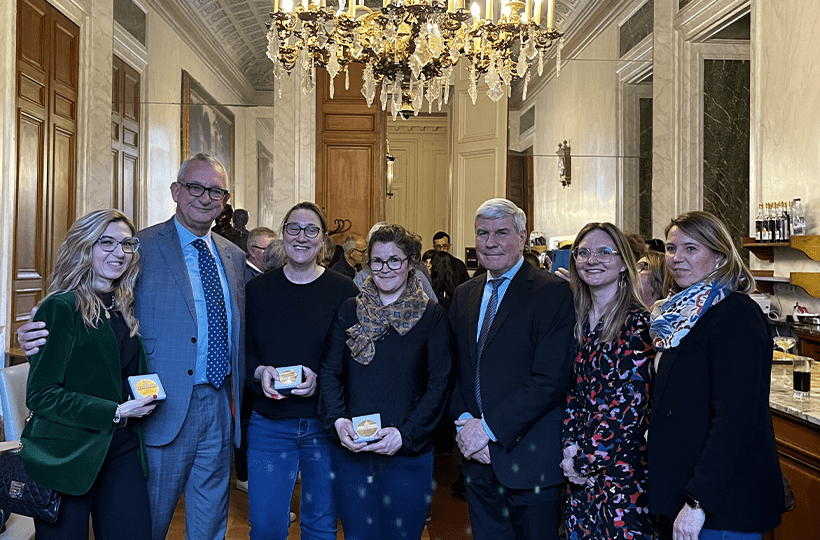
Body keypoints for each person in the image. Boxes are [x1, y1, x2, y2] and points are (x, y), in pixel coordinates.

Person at [18, 153, 247, 540]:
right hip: (160, 408)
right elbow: (79, 294)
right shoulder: (138, 246)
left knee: (210, 518)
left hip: (219, 404)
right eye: (196, 187)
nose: (205, 198)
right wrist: (37, 327)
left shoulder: (233, 256)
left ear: (225, 200)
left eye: (216, 191)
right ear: (176, 191)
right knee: (146, 522)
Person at [19, 209, 156, 539]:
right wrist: (115, 411)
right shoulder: (61, 307)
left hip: (122, 450)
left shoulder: (123, 306)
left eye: (127, 244)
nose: (119, 252)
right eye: (106, 242)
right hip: (68, 456)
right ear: (84, 246)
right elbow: (42, 395)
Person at [648, 211, 784, 540]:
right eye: (671, 248)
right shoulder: (678, 314)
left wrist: (698, 502)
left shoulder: (735, 314)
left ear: (720, 256)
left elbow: (735, 419)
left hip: (720, 505)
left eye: (691, 249)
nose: (677, 258)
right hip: (683, 491)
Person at [448, 198, 575, 540]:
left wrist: (487, 430)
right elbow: (457, 370)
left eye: (502, 233)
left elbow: (549, 380)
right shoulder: (464, 294)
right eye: (483, 233)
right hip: (477, 460)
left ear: (522, 238)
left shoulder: (553, 293)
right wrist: (466, 427)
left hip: (529, 461)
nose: (490, 242)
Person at [319, 224, 453, 540]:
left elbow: (439, 384)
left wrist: (404, 435)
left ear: (410, 263)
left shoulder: (432, 316)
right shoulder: (350, 309)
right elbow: (329, 371)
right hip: (354, 452)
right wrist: (338, 421)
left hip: (408, 454)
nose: (385, 268)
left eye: (395, 260)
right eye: (377, 261)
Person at [244, 201, 359, 540]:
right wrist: (259, 372)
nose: (302, 237)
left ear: (323, 240)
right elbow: (245, 351)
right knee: (266, 527)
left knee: (320, 526)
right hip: (269, 426)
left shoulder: (344, 290)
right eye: (294, 228)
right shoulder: (258, 290)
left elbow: (353, 360)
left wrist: (321, 381)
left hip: (324, 426)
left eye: (312, 230)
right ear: (283, 234)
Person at [560, 222, 655, 539]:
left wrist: (584, 462)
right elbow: (573, 394)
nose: (592, 259)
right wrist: (570, 449)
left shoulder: (638, 325)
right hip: (580, 473)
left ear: (624, 263)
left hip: (622, 474)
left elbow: (627, 410)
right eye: (583, 252)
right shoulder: (576, 319)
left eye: (604, 251)